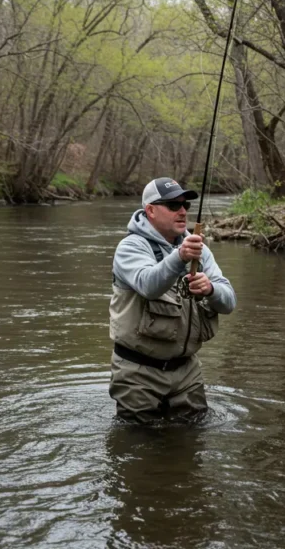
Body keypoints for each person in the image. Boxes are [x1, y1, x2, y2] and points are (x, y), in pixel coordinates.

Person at [108, 177, 236, 423]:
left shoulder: (199, 250)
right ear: (151, 211)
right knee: (137, 447)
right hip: (138, 372)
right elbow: (148, 284)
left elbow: (229, 302)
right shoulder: (130, 247)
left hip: (187, 372)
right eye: (172, 205)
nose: (182, 211)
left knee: (192, 443)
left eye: (185, 205)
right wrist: (180, 257)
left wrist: (210, 289)